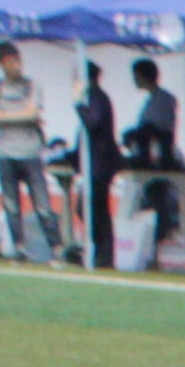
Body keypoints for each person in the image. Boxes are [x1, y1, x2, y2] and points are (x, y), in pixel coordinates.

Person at [0, 40, 56, 263]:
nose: (16, 65)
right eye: (10, 61)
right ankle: (18, 248)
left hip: (31, 153)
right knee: (11, 205)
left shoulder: (32, 85)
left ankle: (56, 247)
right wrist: (21, 116)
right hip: (5, 153)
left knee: (43, 205)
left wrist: (7, 117)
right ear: (1, 64)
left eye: (18, 60)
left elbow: (32, 113)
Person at [121, 52, 183, 265]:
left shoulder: (164, 99)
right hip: (149, 155)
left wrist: (137, 134)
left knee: (159, 203)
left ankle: (158, 244)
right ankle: (150, 246)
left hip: (159, 159)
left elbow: (158, 130)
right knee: (150, 201)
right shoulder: (152, 100)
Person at [74, 54, 117, 265]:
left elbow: (93, 123)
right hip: (95, 161)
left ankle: (104, 251)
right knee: (91, 207)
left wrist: (78, 105)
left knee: (94, 207)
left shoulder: (97, 98)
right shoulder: (95, 97)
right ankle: (100, 250)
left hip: (100, 162)